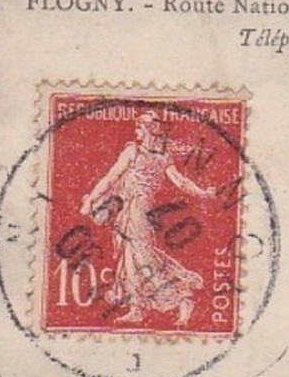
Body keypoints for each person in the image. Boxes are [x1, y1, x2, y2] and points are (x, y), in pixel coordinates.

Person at [78, 111, 218, 327]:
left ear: (145, 131)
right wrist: (203, 193)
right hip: (136, 209)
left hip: (137, 209)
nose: (136, 132)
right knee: (133, 257)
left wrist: (90, 201)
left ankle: (179, 300)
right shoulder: (162, 157)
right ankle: (138, 307)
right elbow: (181, 182)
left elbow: (110, 178)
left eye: (139, 128)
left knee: (140, 258)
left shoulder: (134, 152)